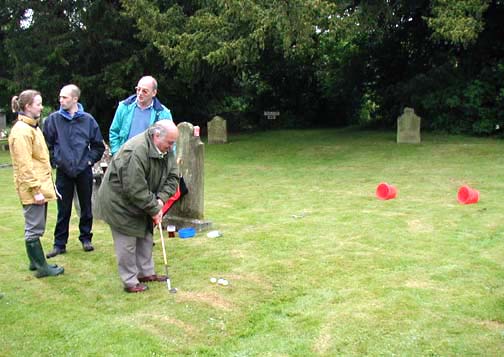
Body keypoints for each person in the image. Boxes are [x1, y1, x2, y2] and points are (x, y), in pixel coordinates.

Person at [96, 120, 179, 293]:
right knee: (127, 241)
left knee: (145, 235)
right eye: (169, 143)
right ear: (157, 136)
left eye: (173, 143)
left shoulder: (166, 150)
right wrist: (154, 208)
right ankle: (130, 281)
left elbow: (173, 177)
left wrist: (161, 201)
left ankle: (145, 273)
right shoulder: (135, 151)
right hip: (119, 202)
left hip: (143, 199)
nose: (171, 147)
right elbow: (134, 189)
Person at [43, 84, 105, 258]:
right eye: (60, 97)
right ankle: (59, 244)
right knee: (63, 209)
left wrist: (89, 160)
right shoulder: (53, 120)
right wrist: (55, 161)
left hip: (83, 170)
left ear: (75, 99)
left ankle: (86, 238)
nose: (61, 100)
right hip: (63, 171)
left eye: (65, 97)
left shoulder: (88, 120)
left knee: (86, 206)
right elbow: (45, 145)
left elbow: (98, 146)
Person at [8, 90, 64, 278]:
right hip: (33, 188)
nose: (41, 107)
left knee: (35, 225)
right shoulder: (22, 131)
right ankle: (42, 268)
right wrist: (35, 190)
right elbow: (24, 165)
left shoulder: (32, 127)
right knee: (34, 228)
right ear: (27, 107)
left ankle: (35, 262)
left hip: (40, 184)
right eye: (38, 104)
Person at [109, 75, 173, 156]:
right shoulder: (124, 107)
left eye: (144, 91)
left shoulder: (163, 114)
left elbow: (170, 141)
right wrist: (116, 154)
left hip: (150, 161)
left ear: (154, 93)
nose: (140, 93)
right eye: (138, 89)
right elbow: (114, 132)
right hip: (125, 157)